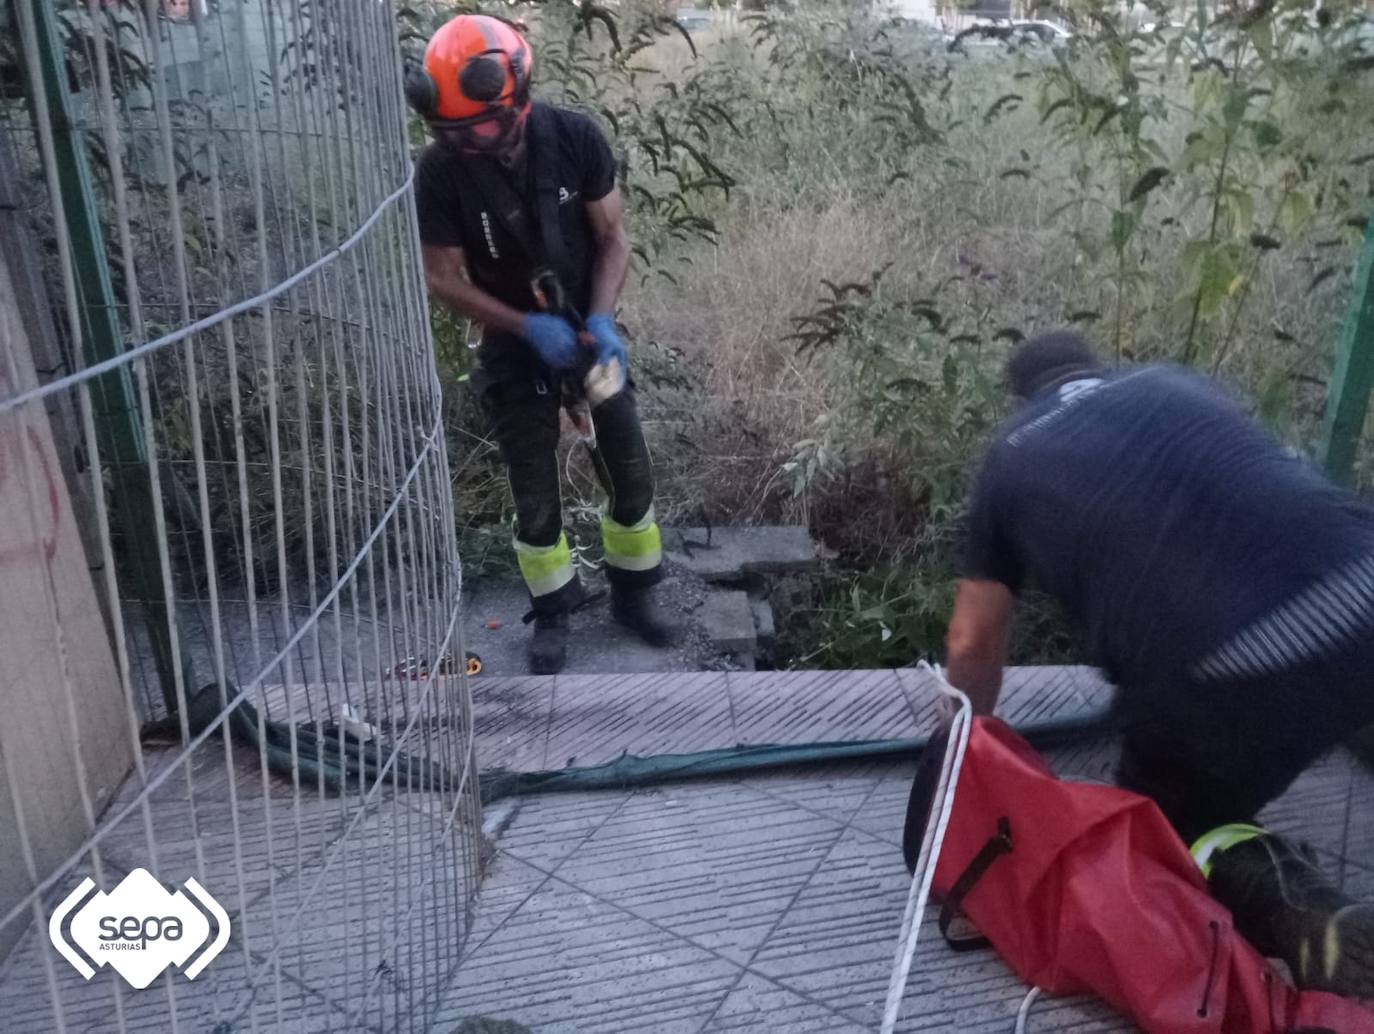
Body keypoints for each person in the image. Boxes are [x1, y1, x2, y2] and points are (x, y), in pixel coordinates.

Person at [944, 331, 1374, 999]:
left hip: (1229, 669)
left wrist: (966, 747)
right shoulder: (1174, 382)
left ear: (1020, 397)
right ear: (1095, 367)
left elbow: (973, 642)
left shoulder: (1011, 455)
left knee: (1162, 821)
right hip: (1366, 586)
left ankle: (1295, 903)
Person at [407, 14, 670, 674]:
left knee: (627, 457)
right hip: (512, 337)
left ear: (518, 94)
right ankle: (552, 611)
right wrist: (525, 328)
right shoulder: (442, 173)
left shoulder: (574, 139)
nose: (474, 142)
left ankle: (633, 597)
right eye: (457, 132)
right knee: (532, 479)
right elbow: (441, 276)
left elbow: (613, 241)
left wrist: (601, 323)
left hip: (585, 330)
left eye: (486, 126)